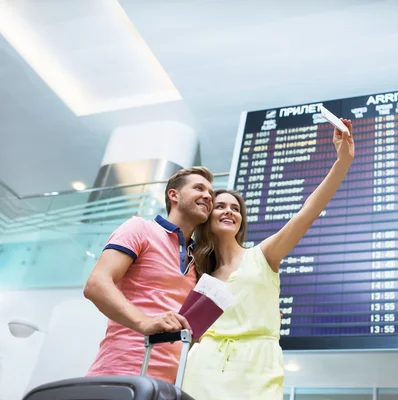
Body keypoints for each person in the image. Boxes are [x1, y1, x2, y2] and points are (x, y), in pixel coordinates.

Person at [181, 120, 354, 399]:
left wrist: (342, 162)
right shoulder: (201, 275)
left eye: (235, 208)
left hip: (257, 367)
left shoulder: (263, 256)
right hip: (202, 369)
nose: (229, 212)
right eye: (221, 206)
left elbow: (307, 212)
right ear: (208, 217)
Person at [84, 166, 214, 384]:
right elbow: (96, 284)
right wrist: (143, 322)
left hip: (172, 384)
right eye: (199, 188)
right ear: (174, 194)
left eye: (211, 193)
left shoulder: (199, 260)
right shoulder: (140, 228)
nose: (208, 196)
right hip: (121, 374)